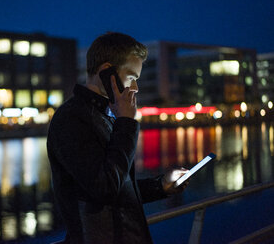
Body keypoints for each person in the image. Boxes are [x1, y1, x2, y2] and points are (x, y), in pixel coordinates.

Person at [47, 32, 189, 244]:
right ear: (107, 72)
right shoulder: (71, 119)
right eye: (131, 77)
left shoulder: (104, 115)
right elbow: (104, 189)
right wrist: (126, 122)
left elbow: (118, 187)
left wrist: (161, 186)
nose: (135, 88)